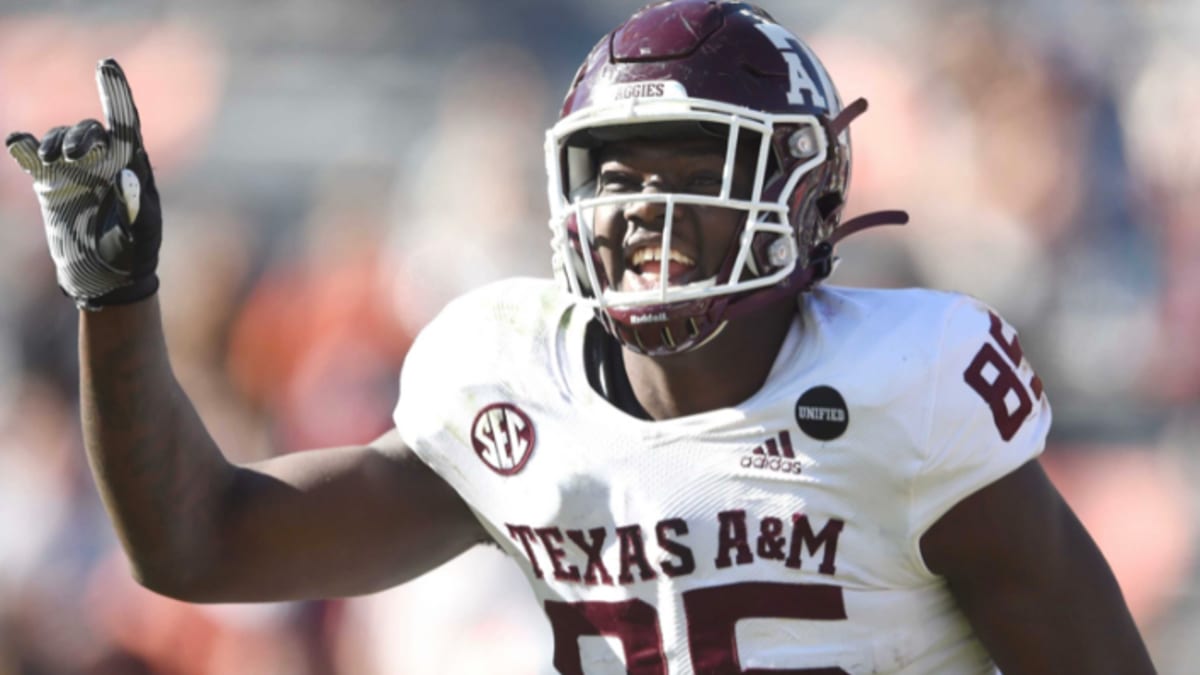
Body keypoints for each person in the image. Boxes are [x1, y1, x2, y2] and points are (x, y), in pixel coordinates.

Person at [5, 1, 1155, 673]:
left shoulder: (907, 386)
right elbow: (199, 548)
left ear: (809, 194)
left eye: (699, 167)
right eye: (616, 174)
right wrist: (115, 298)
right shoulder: (508, 382)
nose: (646, 206)